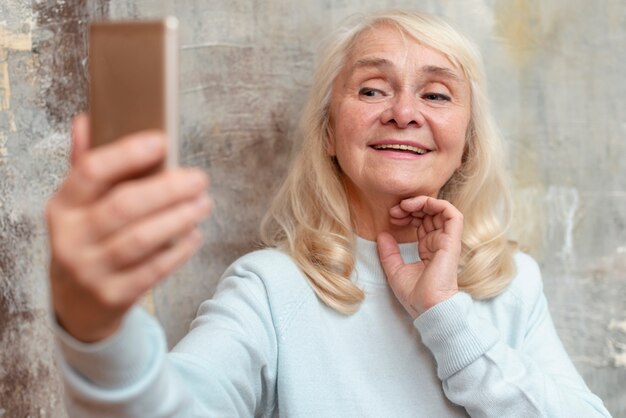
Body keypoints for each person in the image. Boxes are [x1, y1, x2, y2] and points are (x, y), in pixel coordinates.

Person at [47, 10, 611, 417]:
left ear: (466, 142)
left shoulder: (512, 285)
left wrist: (443, 314)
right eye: (371, 90)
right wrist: (98, 328)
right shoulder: (270, 288)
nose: (404, 112)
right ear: (329, 135)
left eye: (437, 95)